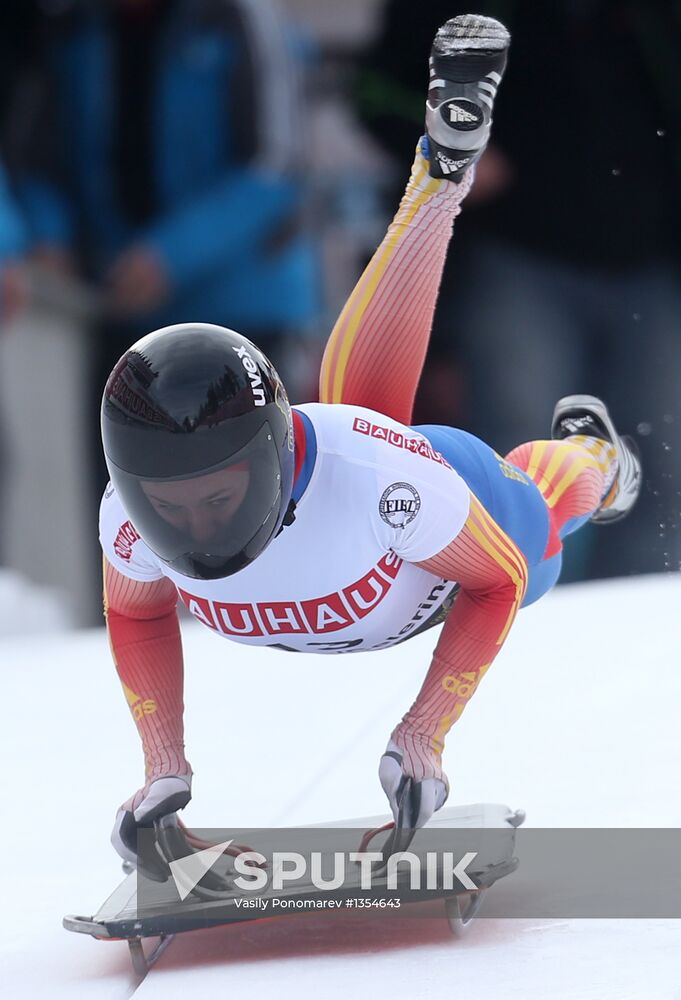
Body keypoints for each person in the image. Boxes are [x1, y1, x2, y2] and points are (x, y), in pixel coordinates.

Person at [99, 15, 641, 867]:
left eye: (219, 497)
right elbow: (133, 613)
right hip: (368, 492)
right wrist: (162, 771)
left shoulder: (376, 475)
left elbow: (493, 584)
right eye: (171, 508)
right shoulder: (124, 525)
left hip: (440, 545)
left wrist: (421, 737)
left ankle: (598, 462)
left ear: (273, 457)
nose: (200, 529)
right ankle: (438, 178)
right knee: (359, 420)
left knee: (522, 511)